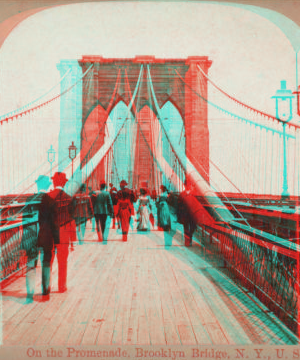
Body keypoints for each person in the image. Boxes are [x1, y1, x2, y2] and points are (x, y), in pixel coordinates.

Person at [23, 175, 57, 302]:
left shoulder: (29, 200)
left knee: (31, 264)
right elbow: (54, 223)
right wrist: (56, 241)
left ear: (37, 185)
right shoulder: (51, 201)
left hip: (31, 236)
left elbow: (24, 221)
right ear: (48, 186)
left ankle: (30, 293)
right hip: (46, 236)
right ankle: (45, 290)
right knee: (46, 263)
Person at [49, 172, 76, 293]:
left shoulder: (47, 196)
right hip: (64, 231)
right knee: (62, 260)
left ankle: (46, 287)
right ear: (64, 183)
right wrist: (72, 238)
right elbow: (72, 217)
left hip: (49, 232)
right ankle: (62, 286)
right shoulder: (70, 197)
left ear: (54, 182)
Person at [177, 179, 197, 247]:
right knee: (186, 228)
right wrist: (180, 215)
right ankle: (187, 242)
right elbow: (179, 205)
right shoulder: (181, 194)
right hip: (185, 215)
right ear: (185, 185)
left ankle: (189, 239)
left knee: (192, 228)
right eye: (187, 185)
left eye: (190, 184)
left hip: (192, 215)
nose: (189, 186)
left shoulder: (194, 194)